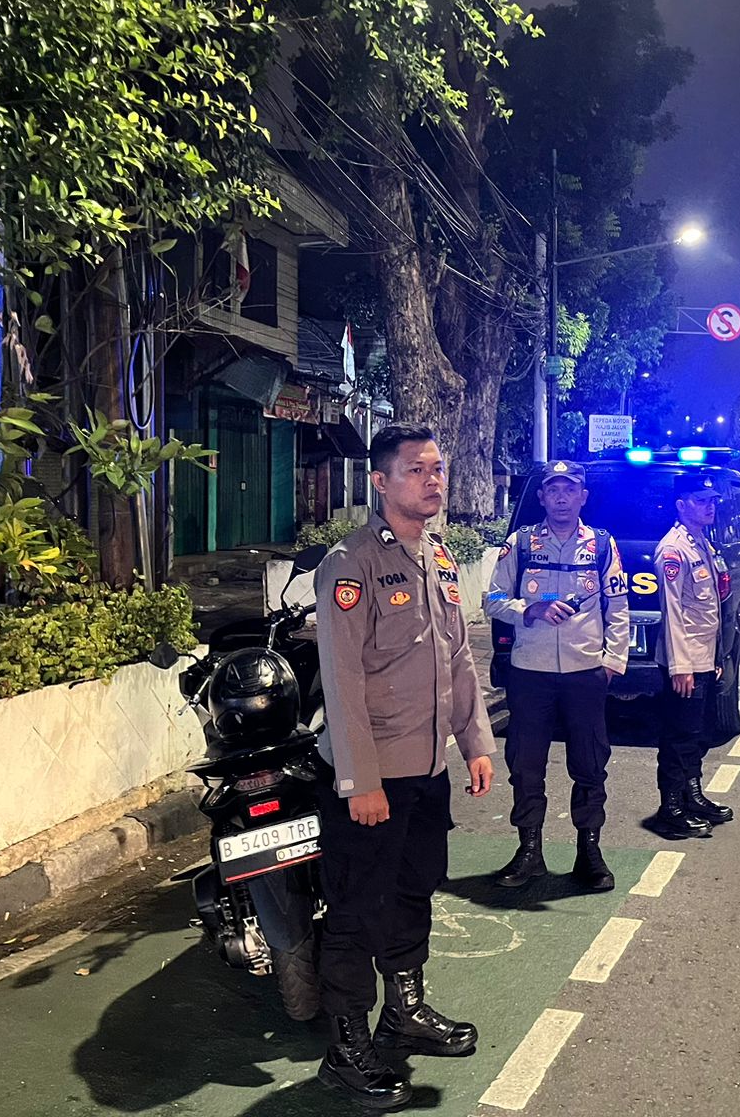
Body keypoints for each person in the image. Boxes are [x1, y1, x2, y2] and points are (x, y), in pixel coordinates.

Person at [311, 422, 497, 1109]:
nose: (432, 480)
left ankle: (404, 1013)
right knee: (357, 909)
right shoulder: (351, 564)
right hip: (373, 778)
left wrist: (475, 741)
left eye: (437, 468)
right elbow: (342, 681)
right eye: (416, 470)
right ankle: (344, 1049)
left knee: (414, 892)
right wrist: (360, 782)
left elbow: (458, 656)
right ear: (381, 481)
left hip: (426, 769)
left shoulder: (439, 558)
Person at [484, 460, 629, 892]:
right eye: (553, 490)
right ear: (542, 497)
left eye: (570, 490)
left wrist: (612, 662)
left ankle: (589, 852)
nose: (562, 498)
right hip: (531, 673)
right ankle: (529, 851)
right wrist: (528, 609)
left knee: (590, 764)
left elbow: (617, 607)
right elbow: (492, 599)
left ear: (583, 497)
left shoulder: (602, 544)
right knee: (526, 764)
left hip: (586, 673)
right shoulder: (521, 543)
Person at [650, 472, 732, 839]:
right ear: (681, 505)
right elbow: (673, 613)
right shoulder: (673, 549)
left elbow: (711, 610)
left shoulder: (702, 543)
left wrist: (714, 659)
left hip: (703, 658)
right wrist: (680, 667)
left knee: (698, 733)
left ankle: (692, 796)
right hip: (684, 662)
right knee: (678, 736)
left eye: (712, 501)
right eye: (701, 501)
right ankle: (671, 808)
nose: (709, 506)